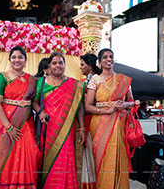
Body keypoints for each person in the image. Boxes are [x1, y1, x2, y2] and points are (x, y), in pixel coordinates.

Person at [32, 52, 86, 189]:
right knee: (48, 160)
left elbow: (79, 107)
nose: (57, 66)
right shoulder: (41, 83)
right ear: (49, 65)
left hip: (67, 129)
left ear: (64, 65)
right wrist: (40, 112)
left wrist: (82, 128)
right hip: (48, 128)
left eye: (60, 63)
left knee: (66, 158)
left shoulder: (74, 84)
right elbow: (34, 101)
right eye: (54, 63)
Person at [0, 46, 40, 189]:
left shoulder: (32, 80)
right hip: (6, 122)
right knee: (8, 156)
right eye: (14, 57)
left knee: (29, 153)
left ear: (25, 61)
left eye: (20, 57)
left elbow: (35, 102)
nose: (17, 60)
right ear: (9, 60)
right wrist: (9, 127)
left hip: (27, 123)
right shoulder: (2, 77)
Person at [85, 48, 135, 188]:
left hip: (119, 123)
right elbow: (88, 106)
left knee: (118, 156)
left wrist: (124, 104)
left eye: (111, 57)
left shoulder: (123, 80)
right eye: (105, 57)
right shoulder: (95, 80)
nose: (108, 59)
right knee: (101, 158)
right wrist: (106, 110)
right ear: (99, 62)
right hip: (100, 124)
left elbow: (132, 102)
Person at [79, 53, 101, 188]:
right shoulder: (82, 82)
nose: (80, 68)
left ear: (90, 66)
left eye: (82, 65)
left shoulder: (98, 80)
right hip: (86, 121)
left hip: (95, 121)